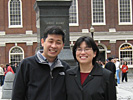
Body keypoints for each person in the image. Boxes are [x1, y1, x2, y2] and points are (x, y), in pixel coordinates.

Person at [12, 26, 70, 100]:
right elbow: (17, 95)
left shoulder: (65, 68)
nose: (54, 46)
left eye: (58, 42)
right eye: (50, 41)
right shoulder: (27, 64)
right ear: (42, 42)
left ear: (62, 46)